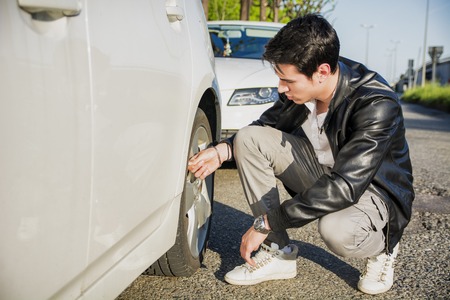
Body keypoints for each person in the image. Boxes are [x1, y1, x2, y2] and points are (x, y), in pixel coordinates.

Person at [188, 13, 414, 295]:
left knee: (337, 231)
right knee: (248, 139)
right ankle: (278, 251)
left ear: (321, 72)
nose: (281, 88)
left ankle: (383, 247)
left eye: (288, 81)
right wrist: (222, 151)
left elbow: (345, 186)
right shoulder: (302, 89)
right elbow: (266, 125)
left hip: (370, 190)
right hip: (326, 174)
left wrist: (266, 221)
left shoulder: (376, 104)